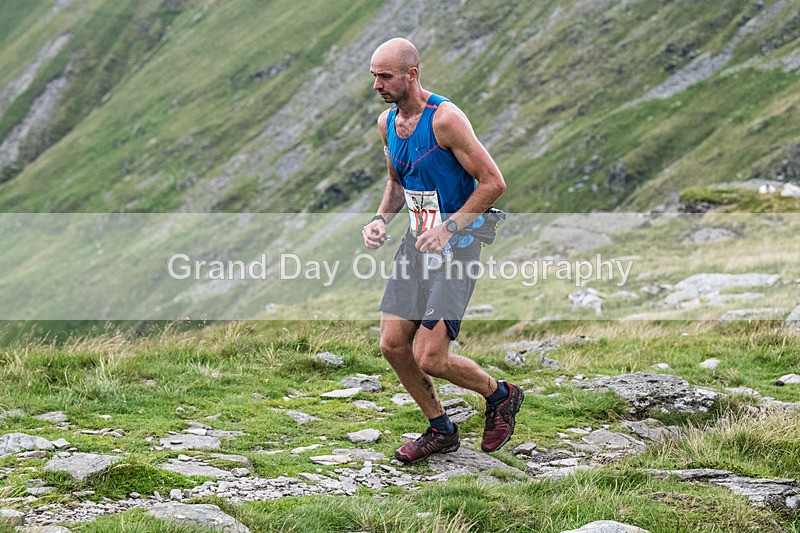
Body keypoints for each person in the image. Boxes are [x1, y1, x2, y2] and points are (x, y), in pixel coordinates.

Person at [362, 37, 524, 463]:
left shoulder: (446, 121)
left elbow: (493, 183)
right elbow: (399, 182)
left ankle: (501, 395)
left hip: (458, 247)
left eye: (385, 76)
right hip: (415, 244)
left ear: (411, 75)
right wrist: (381, 218)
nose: (377, 84)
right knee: (393, 345)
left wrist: (449, 228)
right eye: (374, 76)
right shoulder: (387, 124)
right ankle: (441, 428)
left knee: (431, 357)